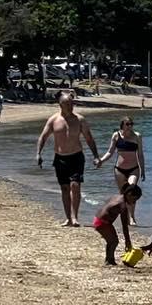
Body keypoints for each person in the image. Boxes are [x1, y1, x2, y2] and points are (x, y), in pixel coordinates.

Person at [34, 91, 99, 227]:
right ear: (60, 104)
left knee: (75, 186)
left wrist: (96, 156)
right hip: (60, 158)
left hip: (76, 156)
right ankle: (68, 218)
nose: (70, 106)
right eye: (67, 104)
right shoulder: (54, 120)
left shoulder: (80, 120)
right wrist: (38, 153)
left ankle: (75, 217)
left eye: (72, 103)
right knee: (64, 188)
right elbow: (43, 137)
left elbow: (89, 138)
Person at [94, 184, 141, 267]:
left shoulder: (117, 197)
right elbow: (124, 226)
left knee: (111, 241)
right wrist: (128, 241)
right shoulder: (122, 206)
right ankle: (109, 261)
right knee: (114, 241)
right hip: (103, 223)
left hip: (98, 219)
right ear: (129, 194)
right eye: (134, 199)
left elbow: (106, 205)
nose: (134, 202)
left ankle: (109, 259)